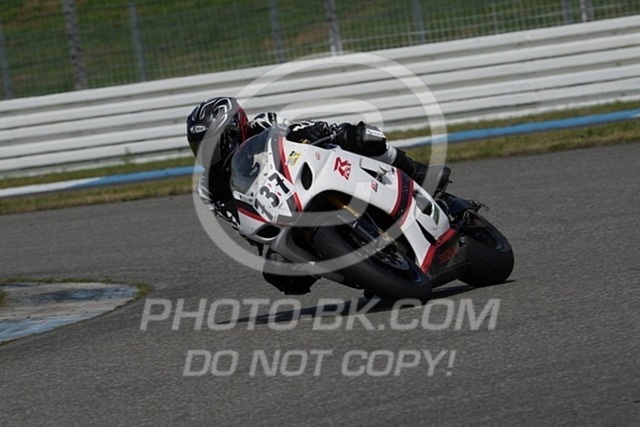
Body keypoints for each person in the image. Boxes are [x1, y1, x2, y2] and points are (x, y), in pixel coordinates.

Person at [186, 96, 449, 295]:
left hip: (314, 172)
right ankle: (372, 274)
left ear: (234, 130)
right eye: (200, 147)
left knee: (361, 136)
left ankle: (416, 172)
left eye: (213, 144)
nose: (208, 154)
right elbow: (241, 222)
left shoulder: (264, 125)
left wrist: (317, 132)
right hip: (283, 212)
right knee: (280, 274)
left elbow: (296, 132)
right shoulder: (209, 188)